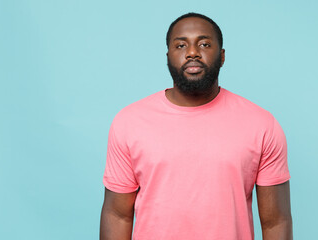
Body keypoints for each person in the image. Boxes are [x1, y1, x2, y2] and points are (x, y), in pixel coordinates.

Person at [100, 12, 292, 240]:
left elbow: (276, 222)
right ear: (168, 56)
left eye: (204, 44)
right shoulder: (129, 122)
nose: (192, 52)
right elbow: (117, 214)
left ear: (221, 57)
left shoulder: (262, 125)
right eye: (181, 45)